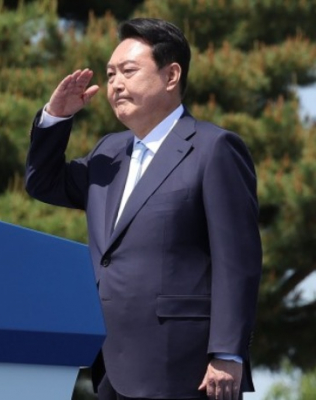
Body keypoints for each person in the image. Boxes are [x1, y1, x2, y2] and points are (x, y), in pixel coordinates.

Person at [25, 18, 262, 400]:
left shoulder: (213, 149)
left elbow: (238, 260)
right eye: (109, 74)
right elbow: (43, 183)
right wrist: (57, 117)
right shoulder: (108, 153)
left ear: (171, 75)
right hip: (108, 363)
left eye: (129, 71)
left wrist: (227, 352)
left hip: (185, 365)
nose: (116, 84)